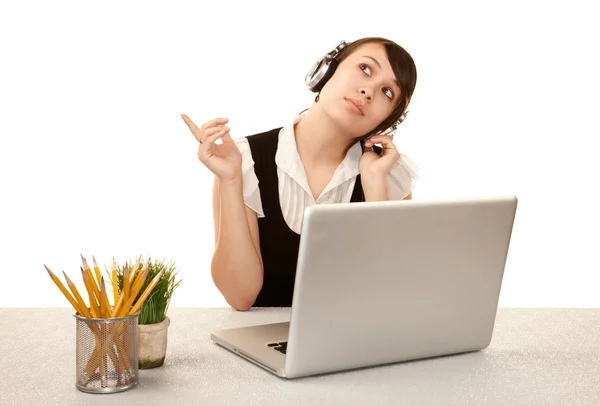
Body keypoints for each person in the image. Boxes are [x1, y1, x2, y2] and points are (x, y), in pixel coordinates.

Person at [181, 37, 418, 311]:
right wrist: (231, 180)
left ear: (388, 119)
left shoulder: (389, 175)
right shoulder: (244, 159)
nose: (369, 91)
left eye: (388, 92)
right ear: (327, 71)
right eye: (365, 69)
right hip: (257, 343)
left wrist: (374, 187)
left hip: (350, 346)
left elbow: (383, 299)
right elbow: (240, 296)